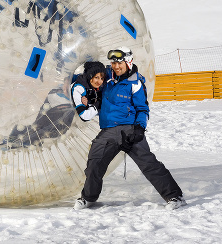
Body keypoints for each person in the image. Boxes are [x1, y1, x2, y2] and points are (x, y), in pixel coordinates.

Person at [73, 47, 186, 210]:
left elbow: (142, 108)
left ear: (128, 62)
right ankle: (89, 197)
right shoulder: (107, 77)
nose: (116, 66)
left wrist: (140, 128)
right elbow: (88, 75)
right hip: (109, 130)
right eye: (113, 63)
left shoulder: (136, 83)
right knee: (94, 163)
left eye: (119, 63)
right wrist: (84, 95)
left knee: (149, 164)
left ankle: (175, 196)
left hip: (131, 131)